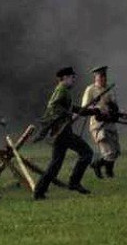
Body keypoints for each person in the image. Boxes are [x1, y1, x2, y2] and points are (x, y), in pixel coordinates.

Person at [32, 67, 95, 200]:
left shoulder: (64, 91)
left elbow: (74, 109)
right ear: (65, 78)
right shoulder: (62, 90)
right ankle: (74, 182)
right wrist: (68, 113)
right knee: (86, 152)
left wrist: (93, 111)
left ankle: (39, 191)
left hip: (61, 132)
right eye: (72, 77)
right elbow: (53, 107)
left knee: (56, 163)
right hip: (62, 132)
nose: (73, 80)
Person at [82, 65, 121, 178]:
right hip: (98, 124)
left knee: (115, 150)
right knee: (108, 151)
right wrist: (97, 109)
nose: (103, 78)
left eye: (104, 76)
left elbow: (114, 105)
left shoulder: (109, 88)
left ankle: (99, 166)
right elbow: (84, 108)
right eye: (101, 76)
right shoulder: (91, 90)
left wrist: (119, 112)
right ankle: (106, 171)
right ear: (96, 77)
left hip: (110, 122)